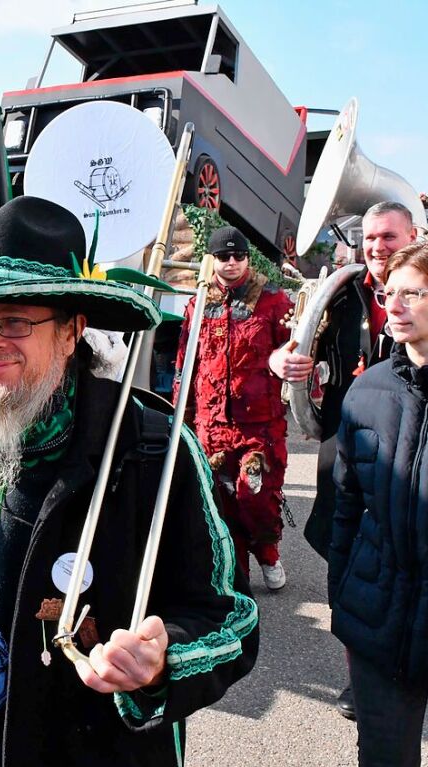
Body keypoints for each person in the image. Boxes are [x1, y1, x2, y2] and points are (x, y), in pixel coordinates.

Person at [0, 196, 258, 766]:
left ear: (72, 332)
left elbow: (232, 616)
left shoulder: (150, 451)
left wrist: (161, 659)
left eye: (15, 321)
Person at [284, 201, 417, 717]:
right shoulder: (340, 294)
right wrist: (285, 363)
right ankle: (362, 678)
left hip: (413, 454)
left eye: (390, 237)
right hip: (348, 452)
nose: (379, 247)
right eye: (371, 239)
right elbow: (298, 348)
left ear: (413, 236)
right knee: (350, 571)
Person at [330, 241, 428, 766]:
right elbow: (345, 504)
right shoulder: (366, 392)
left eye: (413, 292)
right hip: (378, 620)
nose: (395, 304)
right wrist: (342, 593)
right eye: (391, 292)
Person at [173, 226, 300, 590]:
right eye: (223, 257)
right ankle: (236, 572)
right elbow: (185, 362)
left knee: (255, 495)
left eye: (238, 256)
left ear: (246, 258)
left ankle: (268, 553)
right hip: (210, 424)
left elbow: (296, 354)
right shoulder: (198, 303)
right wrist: (179, 415)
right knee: (220, 501)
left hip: (259, 424)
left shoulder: (275, 301)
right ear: (212, 260)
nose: (231, 263)